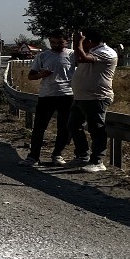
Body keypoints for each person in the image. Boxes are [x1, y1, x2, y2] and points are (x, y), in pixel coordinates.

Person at [68, 27, 118, 172]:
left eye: (83, 41)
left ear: (88, 41)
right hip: (81, 97)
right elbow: (79, 58)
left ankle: (98, 161)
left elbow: (81, 58)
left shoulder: (106, 52)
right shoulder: (93, 50)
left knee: (96, 129)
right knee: (73, 125)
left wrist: (77, 43)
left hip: (97, 97)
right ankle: (82, 155)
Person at [24, 30, 77, 166]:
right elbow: (31, 76)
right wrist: (42, 74)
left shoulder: (73, 55)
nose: (56, 45)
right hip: (46, 95)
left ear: (66, 41)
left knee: (64, 127)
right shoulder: (43, 56)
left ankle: (57, 154)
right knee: (39, 127)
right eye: (53, 42)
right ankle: (33, 156)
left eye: (59, 42)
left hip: (66, 95)